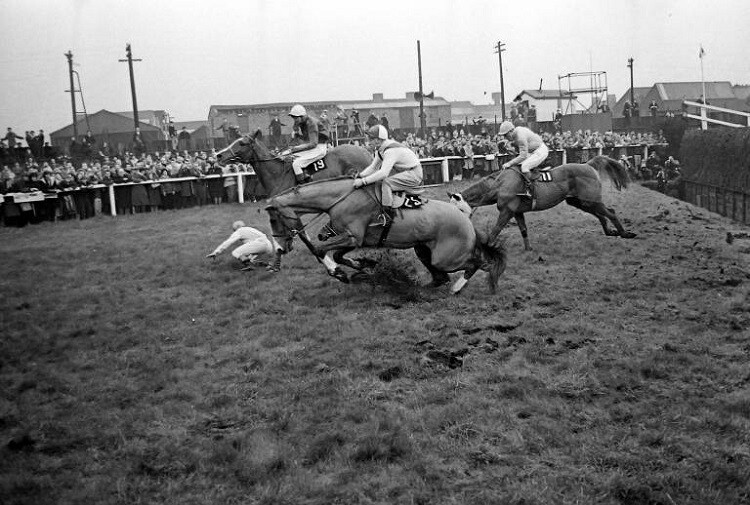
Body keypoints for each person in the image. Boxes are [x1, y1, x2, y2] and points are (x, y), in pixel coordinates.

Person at [353, 125, 424, 223]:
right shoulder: (381, 149)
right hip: (407, 171)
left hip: (414, 174)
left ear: (378, 140)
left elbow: (383, 173)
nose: (368, 141)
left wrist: (363, 181)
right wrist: (360, 175)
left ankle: (387, 215)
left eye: (370, 139)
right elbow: (373, 167)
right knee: (378, 182)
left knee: (386, 183)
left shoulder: (390, 151)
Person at [498, 120, 549, 198]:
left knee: (524, 167)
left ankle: (532, 191)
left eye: (505, 135)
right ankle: (525, 185)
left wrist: (509, 163)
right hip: (533, 150)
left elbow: (523, 156)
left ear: (511, 131)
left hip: (540, 150)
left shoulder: (520, 137)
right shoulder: (516, 131)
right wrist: (510, 144)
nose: (505, 137)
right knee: (519, 166)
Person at [280, 104, 329, 184]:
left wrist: (296, 148)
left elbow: (313, 143)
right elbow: (307, 139)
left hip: (319, 148)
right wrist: (298, 135)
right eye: (293, 118)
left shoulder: (311, 123)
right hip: (314, 147)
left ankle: (304, 186)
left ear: (302, 116)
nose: (294, 120)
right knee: (286, 154)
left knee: (296, 164)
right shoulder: (303, 122)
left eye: (296, 118)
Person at [206, 220, 275, 271]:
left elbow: (228, 242)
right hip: (268, 245)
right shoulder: (250, 229)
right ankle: (260, 264)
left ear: (236, 228)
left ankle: (249, 265)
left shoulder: (239, 231)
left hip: (259, 244)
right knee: (249, 258)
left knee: (236, 252)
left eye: (234, 230)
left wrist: (216, 252)